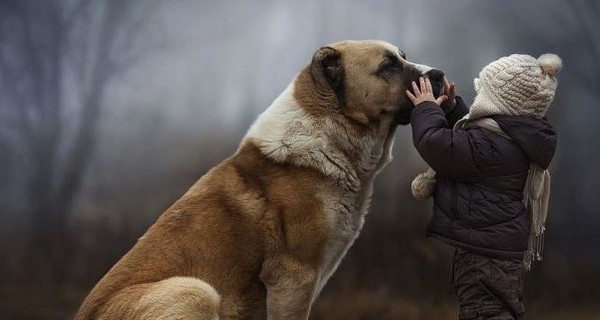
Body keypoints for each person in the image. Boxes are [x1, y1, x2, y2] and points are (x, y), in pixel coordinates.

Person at [405, 54, 562, 319]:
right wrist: (452, 108)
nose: (478, 100)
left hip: (483, 257)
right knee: (498, 311)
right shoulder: (510, 138)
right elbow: (469, 141)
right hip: (497, 251)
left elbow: (437, 144)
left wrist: (425, 108)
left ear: (498, 102)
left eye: (483, 92)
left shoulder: (490, 146)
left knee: (486, 313)